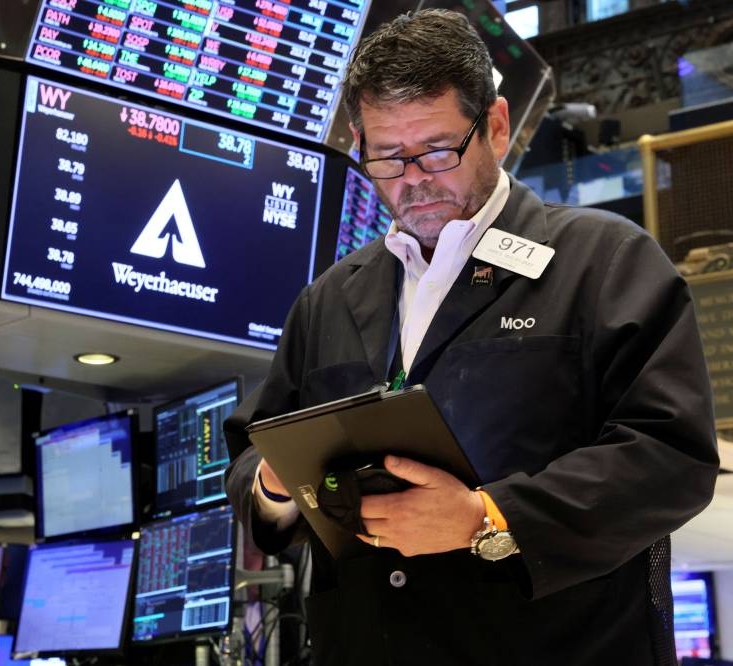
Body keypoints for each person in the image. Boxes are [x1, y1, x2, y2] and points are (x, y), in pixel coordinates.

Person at [224, 9, 720, 665]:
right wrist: (275, 487)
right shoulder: (329, 299)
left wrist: (491, 516)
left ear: (495, 125)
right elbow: (253, 459)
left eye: (436, 150)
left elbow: (671, 460)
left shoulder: (604, 262)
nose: (413, 180)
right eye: (386, 156)